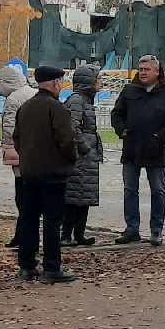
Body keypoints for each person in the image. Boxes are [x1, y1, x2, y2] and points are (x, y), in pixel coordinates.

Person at [12, 65, 78, 283]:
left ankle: (26, 267)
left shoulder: (25, 107)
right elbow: (66, 140)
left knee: (28, 219)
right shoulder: (56, 108)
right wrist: (70, 159)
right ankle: (51, 268)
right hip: (53, 173)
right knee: (52, 221)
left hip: (29, 173)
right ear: (55, 83)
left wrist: (28, 159)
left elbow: (17, 139)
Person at [110, 54, 165, 246]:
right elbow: (117, 114)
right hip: (132, 148)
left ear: (157, 71)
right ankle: (131, 228)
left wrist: (160, 136)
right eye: (140, 69)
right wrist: (123, 131)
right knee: (130, 190)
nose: (142, 73)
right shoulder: (129, 90)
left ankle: (156, 229)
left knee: (158, 190)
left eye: (147, 69)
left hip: (155, 149)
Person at [0, 63, 37, 249]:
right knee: (31, 198)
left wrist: (9, 146)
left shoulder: (13, 99)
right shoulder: (32, 93)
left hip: (20, 152)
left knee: (23, 197)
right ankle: (25, 235)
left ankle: (23, 236)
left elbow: (10, 127)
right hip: (36, 150)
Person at [62, 65, 104, 248]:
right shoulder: (78, 100)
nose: (101, 82)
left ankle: (79, 233)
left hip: (87, 158)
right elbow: (73, 126)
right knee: (73, 197)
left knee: (83, 197)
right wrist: (85, 147)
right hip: (80, 157)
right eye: (98, 78)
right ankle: (66, 234)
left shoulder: (86, 100)